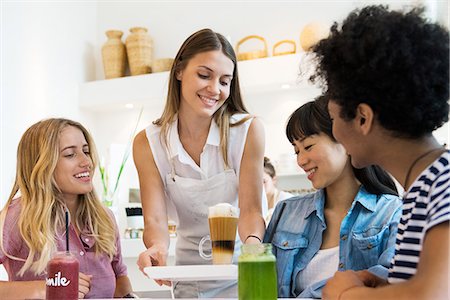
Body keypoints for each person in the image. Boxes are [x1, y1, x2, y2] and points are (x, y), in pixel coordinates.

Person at [309, 5, 449, 300]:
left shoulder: (443, 181)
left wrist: (345, 296)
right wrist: (388, 289)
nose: (334, 131)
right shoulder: (423, 187)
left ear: (362, 118)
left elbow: (432, 295)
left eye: (333, 117)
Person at [133, 28, 266, 298]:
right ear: (179, 71)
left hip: (240, 271)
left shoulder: (247, 130)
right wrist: (156, 249)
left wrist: (253, 249)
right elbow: (155, 219)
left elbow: (251, 210)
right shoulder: (148, 142)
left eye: (225, 81)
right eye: (204, 75)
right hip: (188, 276)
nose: (214, 89)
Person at [263, 96, 403, 298]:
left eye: (308, 146)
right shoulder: (286, 211)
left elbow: (392, 283)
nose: (301, 160)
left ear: (344, 140)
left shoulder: (390, 212)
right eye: (296, 151)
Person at [0, 118, 134, 299]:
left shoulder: (105, 218)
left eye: (86, 151)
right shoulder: (16, 217)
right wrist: (46, 288)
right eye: (70, 154)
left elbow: (120, 283)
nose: (86, 161)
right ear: (41, 163)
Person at [263, 156, 294, 223]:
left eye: (264, 181)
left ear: (274, 180)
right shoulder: (255, 202)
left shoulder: (287, 200)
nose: (260, 186)